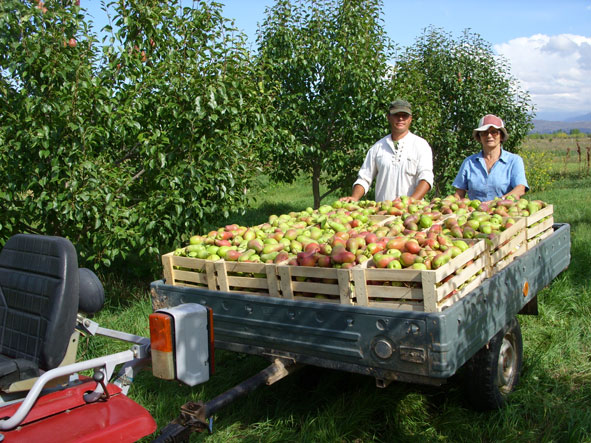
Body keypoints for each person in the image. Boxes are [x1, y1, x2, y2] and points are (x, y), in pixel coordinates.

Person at [340, 99, 434, 203]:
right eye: (396, 115)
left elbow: (425, 178)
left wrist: (410, 202)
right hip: (383, 213)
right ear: (388, 117)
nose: (400, 119)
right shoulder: (378, 147)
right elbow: (364, 178)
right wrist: (354, 197)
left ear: (410, 119)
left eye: (405, 115)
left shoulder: (421, 145)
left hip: (413, 214)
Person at [452, 114, 528, 202]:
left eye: (494, 132)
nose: (489, 136)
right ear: (479, 137)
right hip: (475, 212)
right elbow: (459, 193)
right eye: (484, 133)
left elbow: (520, 188)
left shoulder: (514, 160)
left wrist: (499, 201)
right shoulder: (469, 162)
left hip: (505, 211)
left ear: (501, 136)